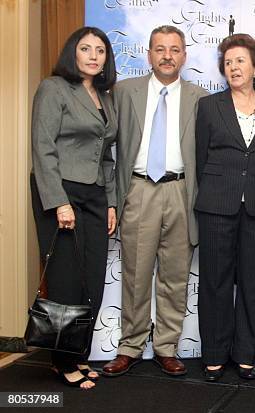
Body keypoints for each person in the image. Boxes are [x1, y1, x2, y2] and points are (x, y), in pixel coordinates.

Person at [102, 25, 208, 378]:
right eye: (160, 49)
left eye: (174, 49)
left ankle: (166, 347)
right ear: (148, 54)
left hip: (181, 192)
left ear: (184, 55)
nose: (167, 56)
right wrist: (110, 198)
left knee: (175, 276)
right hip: (139, 189)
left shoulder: (200, 97)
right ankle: (130, 346)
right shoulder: (123, 91)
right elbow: (103, 145)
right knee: (135, 273)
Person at [30, 26, 118, 389]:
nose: (94, 55)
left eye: (100, 50)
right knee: (65, 281)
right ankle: (62, 361)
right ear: (73, 53)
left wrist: (111, 202)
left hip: (96, 195)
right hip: (61, 192)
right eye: (86, 48)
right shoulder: (54, 88)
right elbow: (43, 146)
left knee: (91, 280)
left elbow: (107, 157)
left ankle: (77, 355)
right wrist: (59, 201)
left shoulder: (105, 96)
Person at [195, 33, 255, 382]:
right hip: (217, 205)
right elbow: (201, 154)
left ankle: (245, 354)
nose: (233, 67)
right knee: (215, 282)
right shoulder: (209, 106)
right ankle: (214, 356)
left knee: (251, 282)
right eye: (228, 62)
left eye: (240, 61)